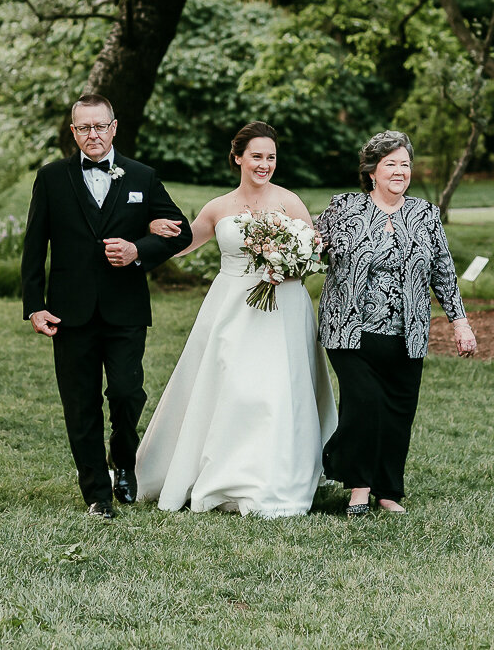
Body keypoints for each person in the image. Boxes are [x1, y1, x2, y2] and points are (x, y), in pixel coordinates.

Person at [135, 121, 337, 517]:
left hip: (285, 308)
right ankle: (222, 469)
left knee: (278, 389)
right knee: (231, 386)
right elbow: (179, 247)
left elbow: (314, 252)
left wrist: (290, 264)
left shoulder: (290, 202)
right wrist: (148, 229)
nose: (264, 165)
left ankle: (276, 476)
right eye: (257, 156)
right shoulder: (218, 207)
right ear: (238, 157)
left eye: (271, 157)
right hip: (230, 307)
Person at [21, 94, 191, 519]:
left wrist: (139, 248)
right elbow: (33, 245)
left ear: (114, 128)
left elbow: (182, 232)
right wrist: (33, 305)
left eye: (100, 127)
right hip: (69, 311)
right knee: (80, 404)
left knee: (127, 393)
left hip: (125, 310)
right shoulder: (52, 177)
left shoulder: (141, 176)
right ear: (74, 131)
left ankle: (124, 461)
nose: (92, 135)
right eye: (84, 128)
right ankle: (97, 492)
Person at [317, 130, 477, 516]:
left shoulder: (425, 214)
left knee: (399, 411)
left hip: (408, 332)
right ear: (372, 170)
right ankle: (358, 488)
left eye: (405, 164)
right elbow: (310, 246)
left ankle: (388, 490)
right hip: (349, 329)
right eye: (391, 164)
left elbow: (442, 271)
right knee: (365, 404)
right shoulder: (345, 207)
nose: (400, 171)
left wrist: (460, 323)